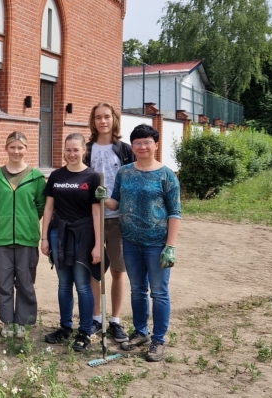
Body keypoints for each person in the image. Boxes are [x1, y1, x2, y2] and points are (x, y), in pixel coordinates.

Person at [96, 124, 181, 362]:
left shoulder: (167, 175)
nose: (142, 146)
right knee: (138, 290)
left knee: (160, 293)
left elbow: (175, 213)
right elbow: (117, 203)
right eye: (137, 143)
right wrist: (104, 198)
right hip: (130, 242)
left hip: (157, 245)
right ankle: (141, 333)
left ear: (155, 144)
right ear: (132, 146)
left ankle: (158, 340)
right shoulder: (125, 172)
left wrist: (170, 245)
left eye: (147, 142)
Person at [41, 133, 103, 352]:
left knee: (83, 285)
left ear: (83, 150)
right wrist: (45, 237)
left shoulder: (93, 177)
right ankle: (65, 327)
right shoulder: (56, 176)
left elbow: (97, 214)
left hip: (84, 236)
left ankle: (85, 331)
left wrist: (98, 244)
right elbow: (49, 208)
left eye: (76, 149)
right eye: (68, 149)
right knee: (64, 283)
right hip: (60, 233)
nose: (72, 154)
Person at [0, 131, 46, 338]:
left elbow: (41, 206)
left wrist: (25, 221)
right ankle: (8, 322)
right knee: (4, 282)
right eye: (12, 147)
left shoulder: (36, 178)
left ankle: (23, 323)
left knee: (26, 283)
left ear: (26, 149)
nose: (16, 151)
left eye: (20, 147)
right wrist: (4, 220)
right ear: (6, 149)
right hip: (1, 238)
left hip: (27, 238)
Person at [83, 102, 135, 343]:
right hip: (91, 219)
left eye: (107, 117)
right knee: (95, 269)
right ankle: (96, 318)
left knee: (117, 270)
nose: (102, 121)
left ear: (114, 119)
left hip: (117, 220)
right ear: (93, 122)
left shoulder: (124, 150)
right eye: (98, 118)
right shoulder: (87, 150)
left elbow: (132, 183)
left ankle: (115, 320)